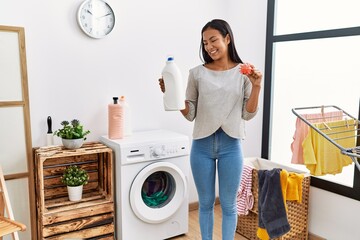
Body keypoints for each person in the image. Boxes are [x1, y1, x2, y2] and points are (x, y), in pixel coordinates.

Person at [159, 19, 262, 240]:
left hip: (231, 146)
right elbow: (190, 114)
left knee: (229, 205)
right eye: (205, 43)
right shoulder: (196, 73)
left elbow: (248, 113)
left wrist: (257, 86)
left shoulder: (244, 73)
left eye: (213, 40)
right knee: (205, 204)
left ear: (227, 38)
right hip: (202, 146)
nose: (209, 47)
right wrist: (173, 93)